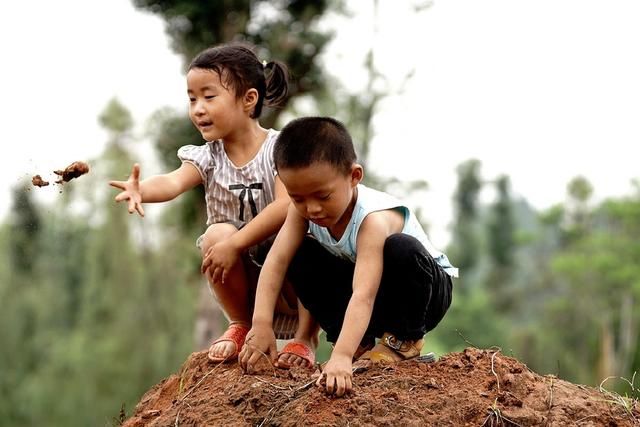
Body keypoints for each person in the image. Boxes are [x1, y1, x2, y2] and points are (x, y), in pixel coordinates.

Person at [109, 43, 318, 368]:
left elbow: (284, 206)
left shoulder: (280, 148)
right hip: (245, 275)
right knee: (214, 235)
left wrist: (236, 243)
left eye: (209, 97)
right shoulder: (207, 156)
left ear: (248, 99)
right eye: (192, 99)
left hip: (292, 273)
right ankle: (240, 323)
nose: (197, 109)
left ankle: (304, 339)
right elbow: (174, 181)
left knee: (304, 242)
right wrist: (142, 189)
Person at [239, 116, 457, 396]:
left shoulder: (372, 220)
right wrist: (261, 325)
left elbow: (363, 294)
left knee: (401, 248)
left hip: (421, 295)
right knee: (298, 253)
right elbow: (276, 263)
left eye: (323, 196)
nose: (312, 208)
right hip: (369, 296)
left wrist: (341, 356)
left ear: (354, 176)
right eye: (298, 198)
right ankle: (361, 344)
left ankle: (404, 341)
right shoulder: (301, 211)